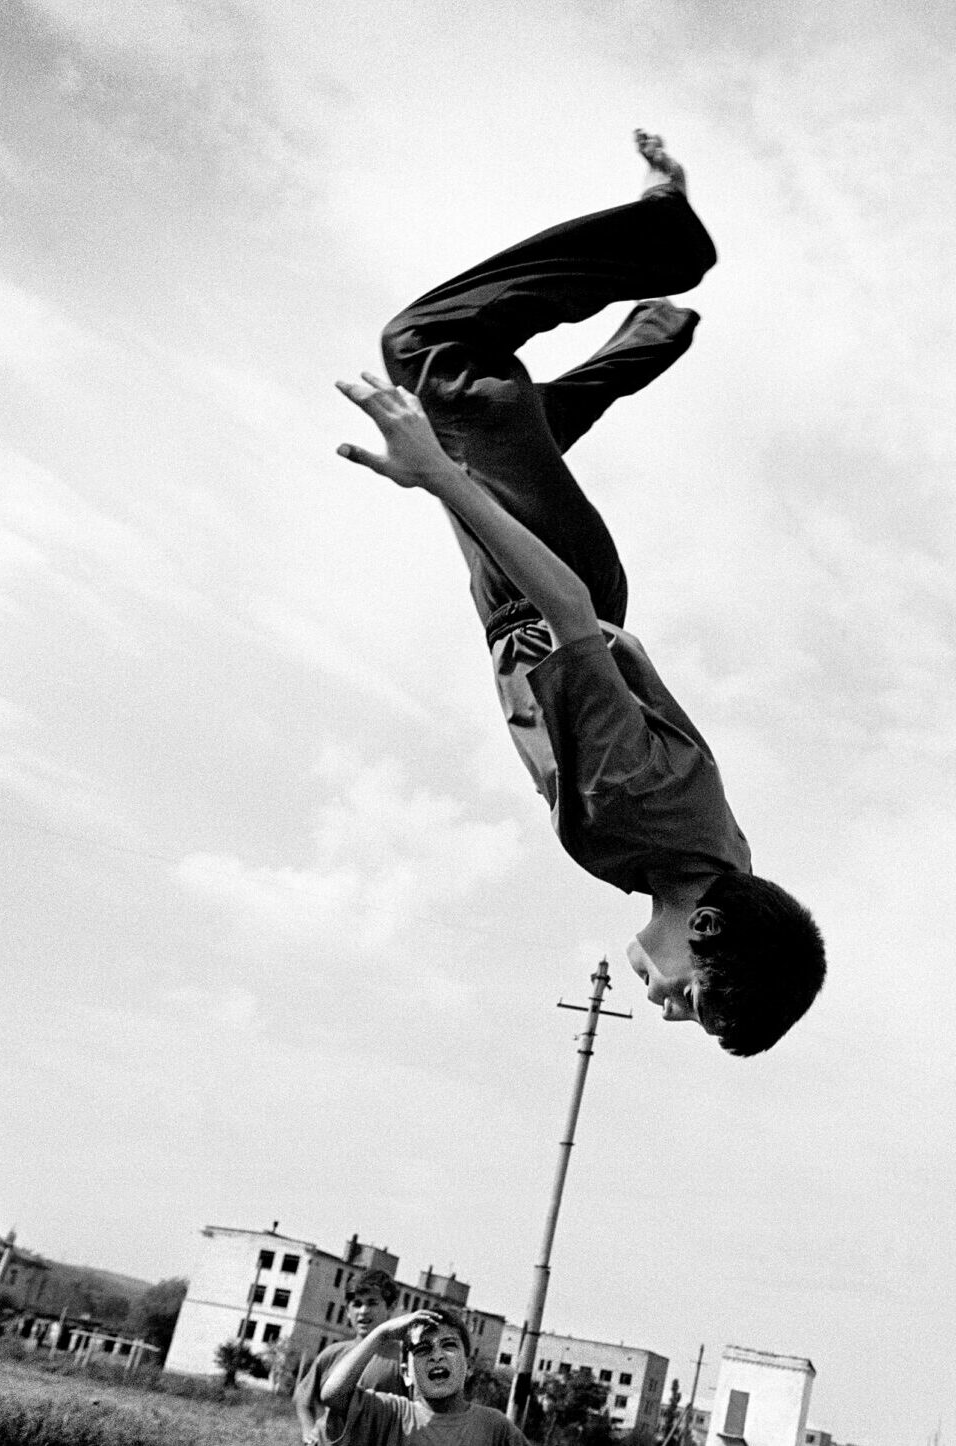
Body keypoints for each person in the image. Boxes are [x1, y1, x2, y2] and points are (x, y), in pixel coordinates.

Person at [335, 131, 825, 1057]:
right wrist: (439, 479)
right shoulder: (634, 812)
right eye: (693, 1003)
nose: (668, 1007)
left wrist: (620, 656)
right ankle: (665, 237)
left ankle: (655, 330)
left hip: (567, 590)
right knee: (427, 346)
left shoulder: (710, 864)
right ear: (709, 937)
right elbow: (566, 616)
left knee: (514, 421)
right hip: (540, 587)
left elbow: (638, 675)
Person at [318, 1307, 522, 1446]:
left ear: (467, 1365)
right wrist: (382, 1333)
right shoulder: (392, 1414)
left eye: (449, 1345)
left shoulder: (494, 1426)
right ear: (406, 1373)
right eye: (423, 1349)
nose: (437, 1356)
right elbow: (333, 1394)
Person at [293, 1269, 411, 1446]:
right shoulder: (333, 1354)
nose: (363, 1311)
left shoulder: (403, 1357)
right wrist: (308, 1431)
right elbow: (302, 1399)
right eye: (356, 1304)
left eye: (372, 1303)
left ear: (391, 1307)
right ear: (347, 1311)